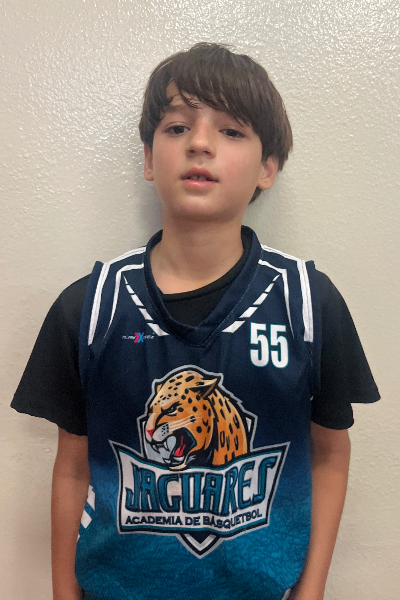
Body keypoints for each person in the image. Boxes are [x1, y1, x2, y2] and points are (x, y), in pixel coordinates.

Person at [12, 43, 380, 600]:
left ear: (267, 168)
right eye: (178, 126)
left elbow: (329, 452)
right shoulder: (89, 308)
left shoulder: (307, 302)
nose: (200, 143)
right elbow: (72, 467)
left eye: (231, 130)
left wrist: (311, 592)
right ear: (148, 158)